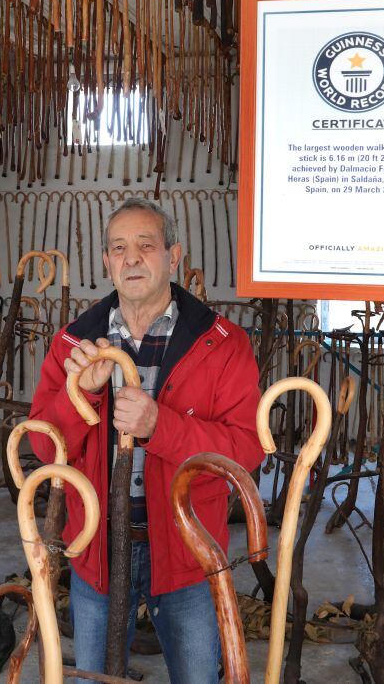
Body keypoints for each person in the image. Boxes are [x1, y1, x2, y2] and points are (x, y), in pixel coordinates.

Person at [28, 198, 264, 683]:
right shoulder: (74, 343)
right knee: (95, 677)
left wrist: (161, 426)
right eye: (119, 248)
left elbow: (247, 450)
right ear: (107, 262)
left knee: (198, 678)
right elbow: (44, 450)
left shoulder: (223, 344)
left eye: (145, 245)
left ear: (173, 256)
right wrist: (82, 398)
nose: (131, 258)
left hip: (187, 549)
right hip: (96, 550)